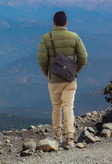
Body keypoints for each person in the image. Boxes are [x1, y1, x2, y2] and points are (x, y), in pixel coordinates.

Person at [37, 11, 87, 148]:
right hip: (70, 79)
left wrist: (47, 74)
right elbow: (83, 58)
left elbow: (41, 59)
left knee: (56, 107)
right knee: (69, 107)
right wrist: (75, 71)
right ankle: (70, 139)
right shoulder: (74, 37)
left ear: (53, 23)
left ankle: (58, 136)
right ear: (66, 23)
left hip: (54, 79)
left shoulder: (46, 38)